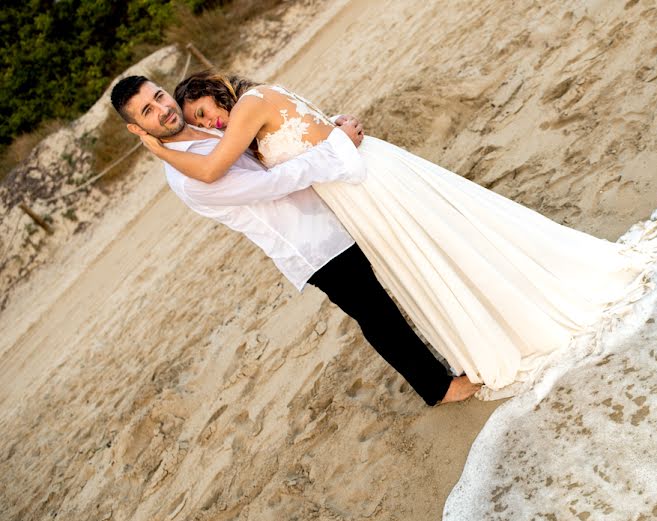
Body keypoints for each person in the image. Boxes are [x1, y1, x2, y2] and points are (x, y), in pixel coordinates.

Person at [137, 71, 657, 398]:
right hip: (335, 210)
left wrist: (337, 140)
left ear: (217, 92)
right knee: (399, 285)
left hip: (359, 184)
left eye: (203, 110)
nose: (207, 122)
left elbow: (285, 155)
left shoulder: (247, 109)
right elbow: (277, 166)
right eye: (193, 117)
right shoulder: (202, 159)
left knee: (434, 249)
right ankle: (443, 382)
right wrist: (337, 139)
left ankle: (464, 356)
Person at [110, 74, 482, 406]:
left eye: (158, 96)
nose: (161, 109)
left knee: (398, 284)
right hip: (308, 241)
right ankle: (437, 388)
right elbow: (269, 184)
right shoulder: (187, 178)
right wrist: (336, 146)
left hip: (330, 211)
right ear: (137, 129)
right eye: (147, 110)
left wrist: (324, 129)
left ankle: (452, 353)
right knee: (376, 313)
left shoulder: (205, 129)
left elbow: (269, 144)